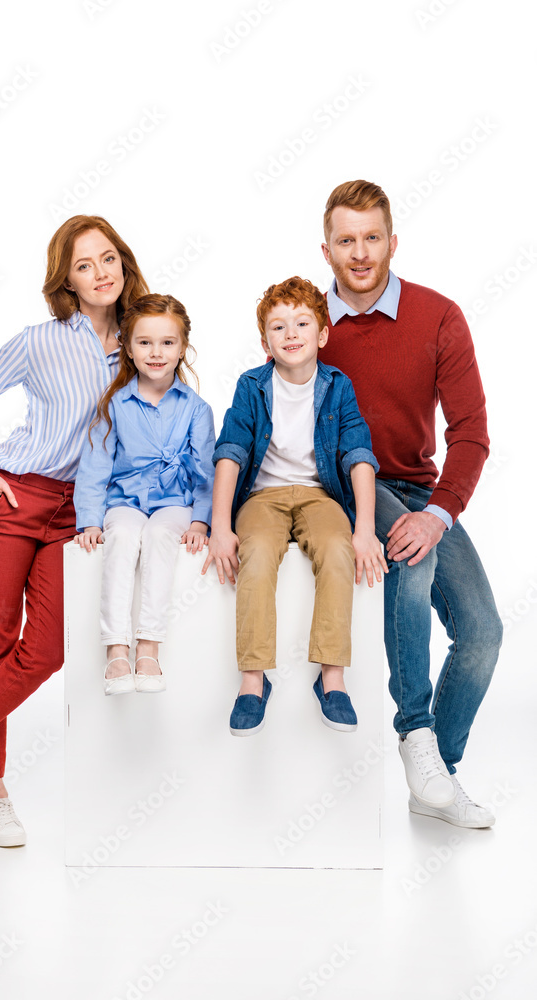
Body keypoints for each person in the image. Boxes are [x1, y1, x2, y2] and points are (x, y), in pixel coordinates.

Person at [0, 215, 149, 847]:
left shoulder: (143, 343)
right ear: (66, 279)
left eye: (108, 259)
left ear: (123, 263)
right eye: (84, 265)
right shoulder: (41, 340)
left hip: (77, 512)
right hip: (17, 496)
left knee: (45, 651)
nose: (101, 273)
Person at [318, 179, 502, 828]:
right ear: (326, 249)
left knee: (482, 631)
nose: (360, 252)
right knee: (408, 555)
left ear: (392, 242)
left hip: (417, 490)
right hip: (341, 488)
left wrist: (437, 512)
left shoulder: (437, 315)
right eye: (346, 240)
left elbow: (471, 434)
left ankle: (438, 783)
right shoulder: (306, 324)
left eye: (371, 238)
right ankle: (413, 730)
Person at [203, 276, 387, 735]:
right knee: (259, 554)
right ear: (264, 340)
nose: (291, 334)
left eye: (302, 323)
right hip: (262, 496)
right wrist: (219, 525)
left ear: (322, 334)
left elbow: (358, 455)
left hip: (318, 494)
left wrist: (363, 527)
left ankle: (332, 678)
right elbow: (231, 452)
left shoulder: (337, 387)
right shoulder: (252, 386)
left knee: (337, 548)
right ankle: (253, 679)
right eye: (278, 327)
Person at [74, 293, 215, 694]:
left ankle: (148, 645)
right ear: (128, 347)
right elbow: (95, 468)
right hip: (126, 501)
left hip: (176, 503)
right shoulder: (114, 404)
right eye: (145, 342)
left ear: (182, 347)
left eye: (167, 343)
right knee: (121, 536)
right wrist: (88, 521)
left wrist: (201, 520)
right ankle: (116, 649)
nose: (157, 352)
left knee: (159, 536)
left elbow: (207, 472)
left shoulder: (196, 409)